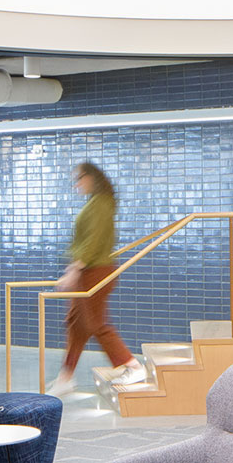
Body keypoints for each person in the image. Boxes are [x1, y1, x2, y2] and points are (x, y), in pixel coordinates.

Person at [45, 162, 145, 395]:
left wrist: (74, 269)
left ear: (92, 177)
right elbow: (84, 242)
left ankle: (132, 365)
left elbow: (94, 240)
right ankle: (66, 377)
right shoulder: (95, 202)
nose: (76, 184)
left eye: (79, 178)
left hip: (95, 271)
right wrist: (74, 267)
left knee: (95, 323)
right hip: (88, 271)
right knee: (76, 325)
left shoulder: (101, 203)